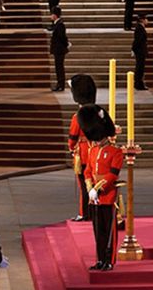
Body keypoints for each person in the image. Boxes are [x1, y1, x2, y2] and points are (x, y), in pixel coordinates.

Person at [80, 104, 122, 271]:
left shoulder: (115, 152)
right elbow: (88, 170)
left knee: (109, 231)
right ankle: (99, 259)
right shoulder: (93, 151)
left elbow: (113, 175)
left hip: (108, 196)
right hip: (94, 198)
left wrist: (97, 188)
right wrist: (90, 188)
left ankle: (109, 261)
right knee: (98, 232)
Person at [68, 74, 96, 222]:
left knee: (84, 185)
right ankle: (94, 211)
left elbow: (72, 138)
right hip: (97, 152)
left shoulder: (78, 116)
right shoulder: (98, 113)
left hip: (83, 154)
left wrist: (72, 148)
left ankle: (84, 212)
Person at [49, 6, 68, 92]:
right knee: (58, 67)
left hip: (59, 50)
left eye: (52, 14)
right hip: (58, 49)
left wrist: (66, 44)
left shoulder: (60, 25)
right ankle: (59, 84)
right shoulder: (57, 24)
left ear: (55, 15)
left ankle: (61, 85)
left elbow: (62, 37)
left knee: (59, 68)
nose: (50, 16)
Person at [132, 14, 149, 90]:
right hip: (140, 51)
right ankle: (138, 84)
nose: (147, 21)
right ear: (142, 20)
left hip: (141, 50)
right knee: (139, 68)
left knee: (140, 68)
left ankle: (139, 83)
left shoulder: (140, 28)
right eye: (146, 19)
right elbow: (137, 40)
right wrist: (133, 49)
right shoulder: (139, 28)